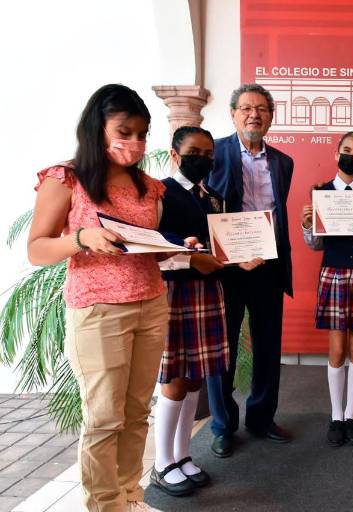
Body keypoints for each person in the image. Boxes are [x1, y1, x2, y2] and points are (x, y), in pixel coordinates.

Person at [28, 84, 169, 512]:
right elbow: (37, 249)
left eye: (142, 134)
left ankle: (130, 496)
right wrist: (82, 238)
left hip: (151, 302)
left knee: (138, 412)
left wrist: (172, 248)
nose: (135, 143)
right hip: (99, 309)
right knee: (105, 417)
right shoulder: (66, 178)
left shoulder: (149, 186)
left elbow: (145, 246)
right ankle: (105, 505)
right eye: (124, 132)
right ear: (97, 128)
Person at [206, 83, 294, 457]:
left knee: (268, 345)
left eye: (261, 109)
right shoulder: (214, 153)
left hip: (269, 265)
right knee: (222, 347)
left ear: (271, 116)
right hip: (227, 266)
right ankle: (222, 425)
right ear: (233, 114)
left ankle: (261, 418)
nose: (253, 114)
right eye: (246, 108)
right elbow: (205, 208)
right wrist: (227, 254)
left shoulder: (283, 162)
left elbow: (278, 213)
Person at [151, 127, 230, 496]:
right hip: (174, 292)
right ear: (175, 153)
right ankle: (161, 462)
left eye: (209, 154)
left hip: (207, 290)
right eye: (194, 152)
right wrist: (186, 253)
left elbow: (222, 245)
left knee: (196, 377)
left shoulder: (214, 198)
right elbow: (152, 245)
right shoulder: (159, 192)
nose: (203, 159)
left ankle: (182, 455)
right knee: (175, 379)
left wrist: (240, 258)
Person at [300, 131, 353, 446]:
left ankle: (351, 415)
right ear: (336, 154)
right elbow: (315, 244)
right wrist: (307, 225)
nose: (352, 156)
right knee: (337, 349)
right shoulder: (321, 192)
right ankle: (336, 416)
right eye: (347, 150)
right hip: (333, 273)